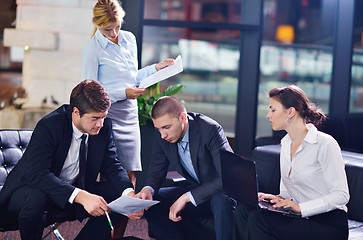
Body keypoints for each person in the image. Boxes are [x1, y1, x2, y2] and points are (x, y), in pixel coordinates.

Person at [0, 80, 141, 240]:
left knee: (117, 193)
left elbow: (112, 166)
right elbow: (37, 174)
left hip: (72, 190)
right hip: (29, 190)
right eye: (95, 118)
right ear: (75, 112)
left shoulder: (104, 127)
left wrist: (129, 194)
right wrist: (81, 196)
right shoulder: (50, 126)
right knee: (36, 197)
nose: (100, 124)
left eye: (103, 117)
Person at [233, 85, 350, 240]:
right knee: (244, 210)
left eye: (273, 110)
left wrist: (301, 208)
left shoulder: (325, 144)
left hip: (328, 224)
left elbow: (341, 195)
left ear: (291, 112)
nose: (268, 115)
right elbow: (289, 193)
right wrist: (278, 198)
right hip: (300, 218)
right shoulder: (286, 143)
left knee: (258, 220)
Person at [82, 0, 174, 187]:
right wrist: (123, 93)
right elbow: (89, 91)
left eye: (117, 26)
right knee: (111, 175)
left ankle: (127, 213)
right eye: (107, 29)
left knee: (131, 174)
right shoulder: (92, 49)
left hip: (130, 116)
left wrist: (156, 68)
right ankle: (107, 216)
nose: (114, 33)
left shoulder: (129, 39)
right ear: (97, 25)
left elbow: (132, 77)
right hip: (108, 118)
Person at [135, 96, 236, 240]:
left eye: (166, 127)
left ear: (182, 117)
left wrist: (186, 197)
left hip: (220, 192)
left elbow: (227, 177)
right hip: (195, 189)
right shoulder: (163, 135)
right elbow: (156, 171)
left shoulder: (210, 130)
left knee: (221, 200)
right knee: (152, 203)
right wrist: (147, 189)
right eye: (158, 129)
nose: (163, 135)